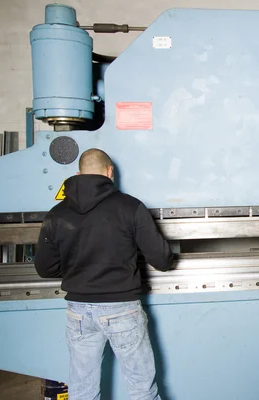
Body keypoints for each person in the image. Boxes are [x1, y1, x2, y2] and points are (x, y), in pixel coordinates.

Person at [34, 148, 174, 400]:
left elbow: (44, 268)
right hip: (122, 310)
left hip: (78, 312)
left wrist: (77, 266)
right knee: (142, 390)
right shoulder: (130, 207)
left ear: (78, 174)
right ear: (110, 172)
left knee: (82, 390)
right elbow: (162, 260)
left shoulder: (56, 214)